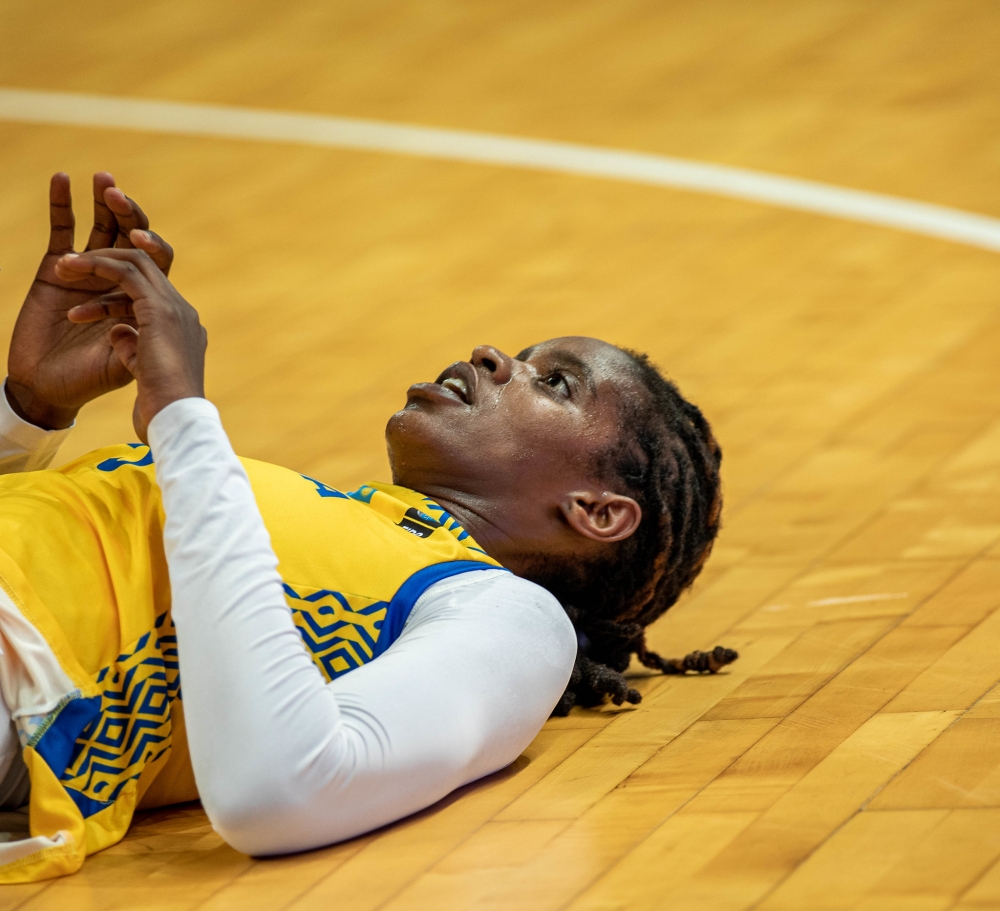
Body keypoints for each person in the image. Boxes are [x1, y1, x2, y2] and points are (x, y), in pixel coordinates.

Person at [0, 173, 733, 881]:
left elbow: (280, 790)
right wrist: (27, 412)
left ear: (596, 511)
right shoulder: (347, 519)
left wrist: (182, 418)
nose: (492, 355)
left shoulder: (510, 617)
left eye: (555, 383)